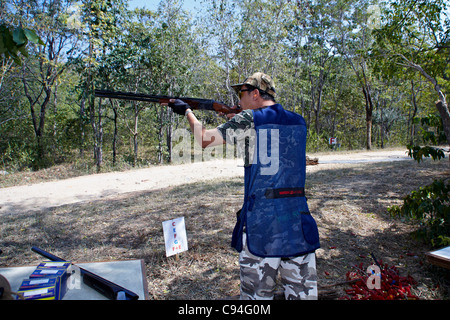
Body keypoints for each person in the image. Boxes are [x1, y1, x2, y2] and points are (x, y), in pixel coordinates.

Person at [166, 72, 320, 300]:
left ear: (255, 94)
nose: (239, 98)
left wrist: (187, 111)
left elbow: (204, 139)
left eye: (242, 92)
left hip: (262, 226)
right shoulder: (298, 121)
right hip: (297, 224)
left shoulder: (249, 119)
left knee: (255, 300)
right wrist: (235, 118)